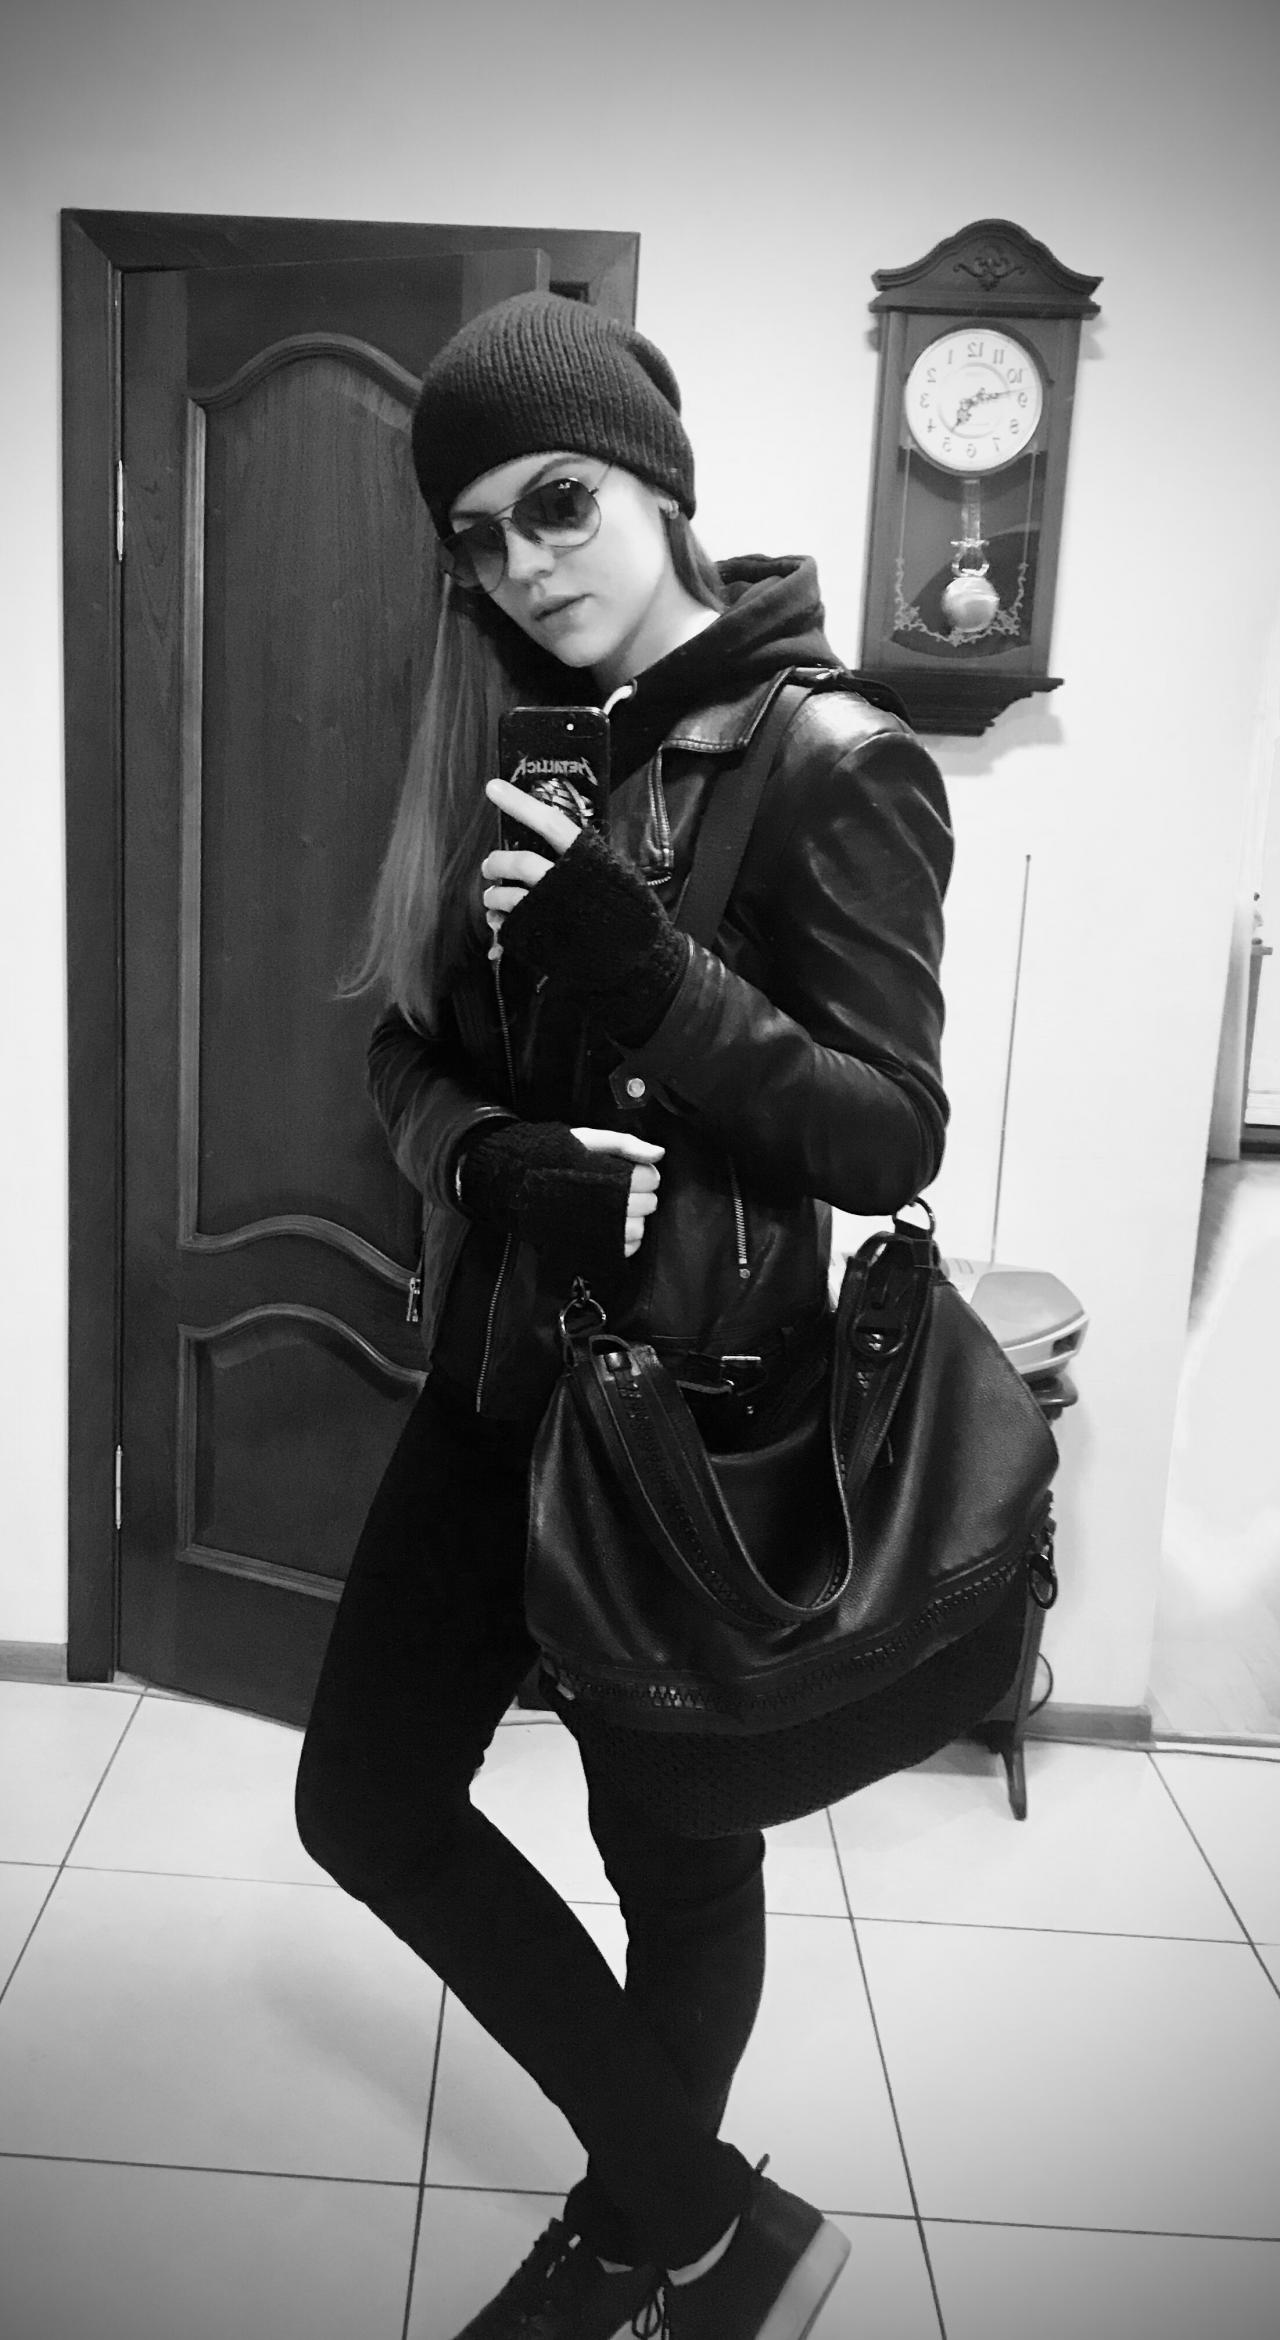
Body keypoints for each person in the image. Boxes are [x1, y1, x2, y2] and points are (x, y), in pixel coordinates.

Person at [294, 292, 956, 2339]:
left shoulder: (835, 759)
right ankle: (704, 2219)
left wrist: (647, 973)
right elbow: (400, 1049)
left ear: (659, 488)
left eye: (558, 501)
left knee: (671, 1854)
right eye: (476, 534)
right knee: (365, 1803)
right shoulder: (501, 741)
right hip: (494, 1382)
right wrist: (487, 1155)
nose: (520, 561)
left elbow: (888, 1134)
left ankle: (629, 2235)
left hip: (692, 1424)